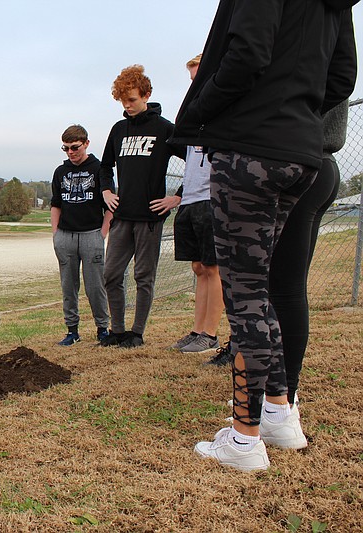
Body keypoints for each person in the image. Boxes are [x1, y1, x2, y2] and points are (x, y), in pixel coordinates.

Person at [171, 0, 356, 471]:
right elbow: (342, 78)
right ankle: (279, 414)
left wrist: (200, 117)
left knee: (246, 295)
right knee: (264, 290)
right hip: (302, 156)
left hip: (249, 152)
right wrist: (300, 111)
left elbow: (247, 54)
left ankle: (244, 439)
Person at [267, 99, 349, 447]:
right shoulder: (331, 48)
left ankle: (283, 405)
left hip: (300, 162)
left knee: (282, 289)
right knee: (285, 287)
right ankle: (279, 399)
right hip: (319, 163)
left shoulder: (304, 49)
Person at [98, 64, 186, 349]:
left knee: (143, 276)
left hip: (150, 217)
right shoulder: (119, 129)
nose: (127, 105)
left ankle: (137, 333)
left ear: (146, 94)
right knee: (111, 274)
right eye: (123, 101)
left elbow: (197, 163)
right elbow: (105, 166)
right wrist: (106, 191)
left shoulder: (164, 128)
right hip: (122, 217)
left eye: (132, 99)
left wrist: (178, 196)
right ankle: (118, 330)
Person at [169, 54, 225, 358]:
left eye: (198, 78)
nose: (195, 85)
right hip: (190, 198)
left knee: (213, 268)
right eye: (191, 80)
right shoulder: (196, 113)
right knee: (199, 266)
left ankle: (210, 334)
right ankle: (197, 330)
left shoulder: (222, 110)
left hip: (211, 198)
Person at [51, 124, 112, 346]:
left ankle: (102, 328)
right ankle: (72, 331)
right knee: (68, 286)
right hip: (65, 236)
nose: (71, 152)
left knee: (95, 286)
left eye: (75, 147)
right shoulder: (60, 172)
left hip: (91, 234)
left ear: (86, 143)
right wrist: (56, 234)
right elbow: (55, 204)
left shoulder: (99, 169)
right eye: (65, 148)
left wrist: (102, 234)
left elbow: (110, 205)